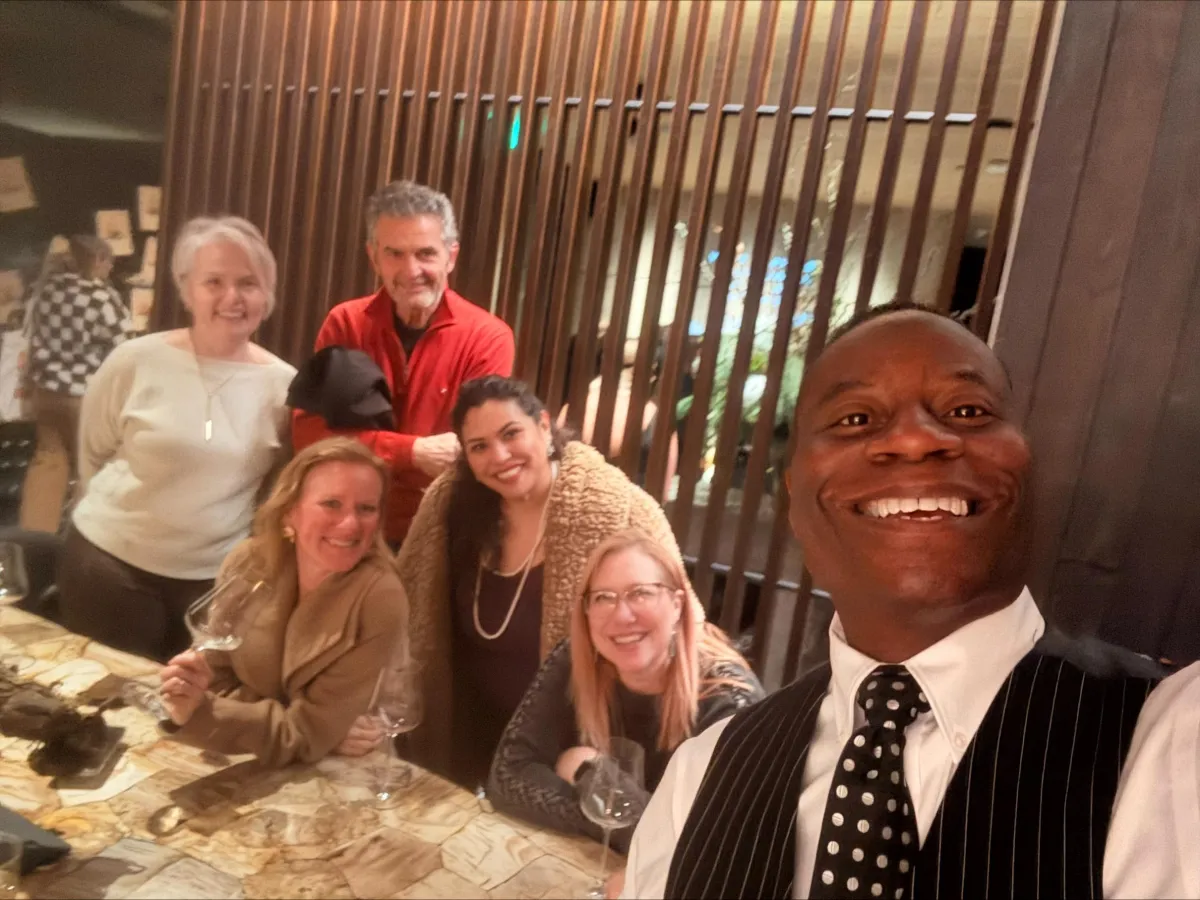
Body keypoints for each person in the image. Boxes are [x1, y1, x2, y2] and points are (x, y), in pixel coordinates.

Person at [622, 301, 1200, 899]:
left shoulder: (1172, 741)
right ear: (794, 495)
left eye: (968, 411)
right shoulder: (701, 775)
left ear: (1027, 464)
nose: (916, 439)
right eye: (854, 418)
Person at [396, 375, 704, 789]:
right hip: (463, 746)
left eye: (511, 434)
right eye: (479, 447)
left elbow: (686, 625)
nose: (500, 456)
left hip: (568, 753)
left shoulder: (619, 508)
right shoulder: (449, 508)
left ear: (543, 425)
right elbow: (407, 600)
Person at [58, 216, 296, 662]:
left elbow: (271, 494)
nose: (232, 297)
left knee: (187, 702)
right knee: (106, 697)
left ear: (267, 295)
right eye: (214, 282)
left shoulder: (285, 388)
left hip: (212, 587)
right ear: (187, 290)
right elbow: (91, 455)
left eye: (248, 283)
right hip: (107, 567)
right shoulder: (134, 361)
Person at [487, 529, 763, 854]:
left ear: (677, 604)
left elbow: (709, 849)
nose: (622, 615)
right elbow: (506, 778)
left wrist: (588, 772)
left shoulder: (731, 704)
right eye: (603, 598)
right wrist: (616, 815)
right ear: (586, 611)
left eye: (641, 593)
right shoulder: (576, 659)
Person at [157, 437, 407, 768]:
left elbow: (305, 733)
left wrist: (209, 713)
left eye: (366, 509)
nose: (350, 524)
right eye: (331, 504)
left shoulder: (379, 597)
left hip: (337, 774)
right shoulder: (248, 563)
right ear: (290, 512)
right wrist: (314, 728)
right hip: (235, 753)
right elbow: (214, 678)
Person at [292, 180, 515, 546]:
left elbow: (472, 453)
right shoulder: (345, 324)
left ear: (451, 256)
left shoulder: (487, 337)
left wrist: (364, 444)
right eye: (394, 254)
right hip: (348, 527)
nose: (411, 271)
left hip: (440, 534)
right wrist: (413, 453)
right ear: (374, 257)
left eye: (425, 253)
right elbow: (310, 437)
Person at [20, 235, 132, 533]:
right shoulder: (100, 297)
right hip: (84, 396)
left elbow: (31, 334)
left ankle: (34, 537)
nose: (110, 269)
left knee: (48, 460)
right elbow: (123, 346)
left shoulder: (45, 290)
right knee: (89, 466)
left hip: (46, 392)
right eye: (109, 262)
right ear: (98, 260)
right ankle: (80, 537)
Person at [559, 337, 679, 499]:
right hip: (633, 511)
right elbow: (662, 493)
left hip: (573, 509)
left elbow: (554, 470)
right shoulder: (659, 421)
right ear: (652, 371)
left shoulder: (573, 408)